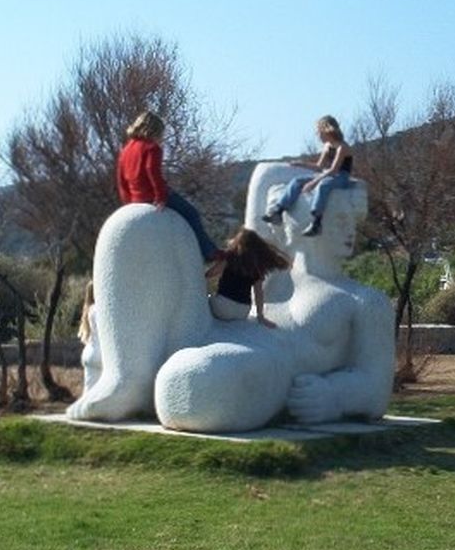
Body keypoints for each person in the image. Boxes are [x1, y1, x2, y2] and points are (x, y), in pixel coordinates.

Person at [67, 161, 394, 433]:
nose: (350, 230)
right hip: (205, 329)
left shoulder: (364, 301)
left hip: (262, 366)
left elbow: (376, 384)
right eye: (338, 219)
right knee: (137, 222)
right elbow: (265, 176)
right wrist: (321, 174)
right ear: (299, 221)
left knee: (197, 384)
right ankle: (128, 380)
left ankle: (160, 384)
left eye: (352, 220)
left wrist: (334, 397)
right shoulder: (272, 265)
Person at [117, 110, 223, 262]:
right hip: (151, 196)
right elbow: (152, 171)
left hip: (135, 199)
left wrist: (129, 204)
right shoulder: (152, 148)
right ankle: (209, 252)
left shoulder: (126, 150)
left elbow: (121, 180)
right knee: (191, 213)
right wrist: (161, 197)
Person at [261, 115, 353, 237]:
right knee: (298, 181)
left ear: (326, 131)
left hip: (341, 176)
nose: (318, 135)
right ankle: (278, 211)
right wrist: (301, 164)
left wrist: (314, 182)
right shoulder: (327, 146)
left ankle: (316, 223)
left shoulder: (342, 147)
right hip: (327, 174)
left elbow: (334, 170)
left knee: (323, 185)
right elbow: (319, 166)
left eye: (319, 132)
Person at [206, 227, 289, 328]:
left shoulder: (230, 257)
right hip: (242, 311)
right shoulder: (255, 267)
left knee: (207, 299)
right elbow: (258, 293)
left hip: (222, 307)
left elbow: (210, 274)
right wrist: (260, 316)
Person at [77, 281, 102, 393]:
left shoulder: (88, 310)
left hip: (89, 351)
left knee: (89, 391)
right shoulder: (98, 310)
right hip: (99, 353)